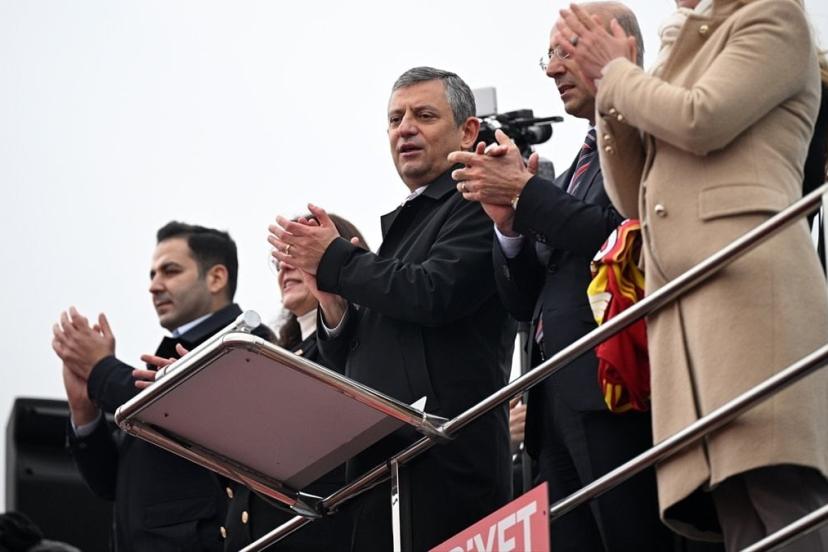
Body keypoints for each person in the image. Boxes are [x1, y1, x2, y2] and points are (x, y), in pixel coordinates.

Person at [557, 0, 828, 549]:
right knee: (737, 510)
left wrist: (616, 72)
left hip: (752, 293)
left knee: (781, 492)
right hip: (686, 311)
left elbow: (701, 119)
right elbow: (633, 196)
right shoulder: (676, 49)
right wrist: (610, 95)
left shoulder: (772, 16)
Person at [450, 4, 670, 551]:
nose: (551, 69)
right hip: (551, 405)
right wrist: (509, 227)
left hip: (617, 390)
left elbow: (622, 236)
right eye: (548, 55)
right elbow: (524, 302)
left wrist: (526, 193)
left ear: (619, 45)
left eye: (566, 50)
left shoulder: (651, 133)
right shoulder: (574, 170)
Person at [267, 66, 515, 551]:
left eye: (424, 115)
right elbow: (356, 361)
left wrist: (337, 260)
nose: (405, 129)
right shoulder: (407, 225)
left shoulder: (476, 198)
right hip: (379, 470)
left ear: (468, 131)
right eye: (395, 119)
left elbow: (434, 292)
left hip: (445, 461)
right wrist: (333, 305)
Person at [52, 221, 267, 551]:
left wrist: (101, 369)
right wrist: (84, 411)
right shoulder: (165, 358)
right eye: (152, 275)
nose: (154, 286)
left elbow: (179, 409)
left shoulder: (247, 344)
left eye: (170, 271)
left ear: (216, 278)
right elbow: (111, 484)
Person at [221, 213, 367, 552]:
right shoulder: (276, 353)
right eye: (279, 260)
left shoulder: (360, 336)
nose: (284, 267)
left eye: (297, 252)